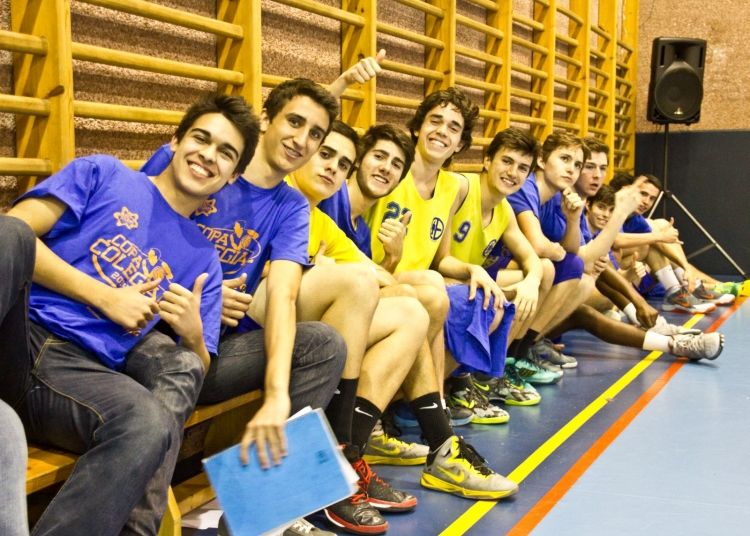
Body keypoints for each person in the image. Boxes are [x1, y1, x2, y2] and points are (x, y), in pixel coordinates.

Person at [3, 93, 260, 535]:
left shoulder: (204, 259)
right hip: (18, 334)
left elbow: (198, 366)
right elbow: (16, 231)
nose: (208, 155)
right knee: (7, 232)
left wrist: (192, 334)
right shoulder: (104, 173)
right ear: (176, 140)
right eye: (201, 138)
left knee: (149, 422)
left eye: (225, 153)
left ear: (233, 175)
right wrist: (104, 296)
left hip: (77, 377)